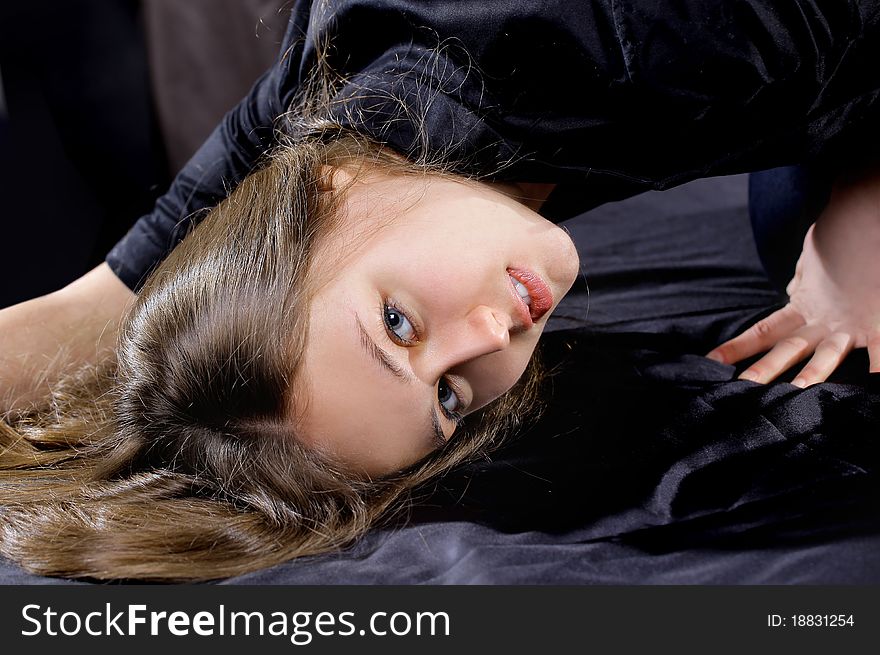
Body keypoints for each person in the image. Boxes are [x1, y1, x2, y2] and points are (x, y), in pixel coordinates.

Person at [2, 0, 880, 581]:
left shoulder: (649, 36)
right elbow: (108, 299)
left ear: (323, 199)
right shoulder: (338, 123)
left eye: (397, 324)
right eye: (449, 399)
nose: (492, 340)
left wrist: (866, 205)